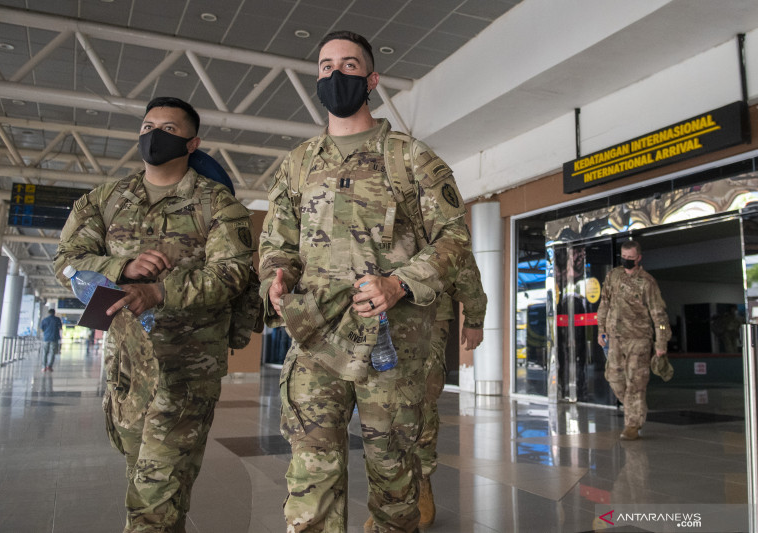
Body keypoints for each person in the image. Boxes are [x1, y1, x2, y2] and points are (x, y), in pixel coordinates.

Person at [259, 30, 472, 533]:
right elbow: (276, 240)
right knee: (310, 473)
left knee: (394, 473)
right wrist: (276, 273)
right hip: (315, 335)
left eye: (349, 66)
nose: (336, 75)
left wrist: (400, 283)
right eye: (326, 66)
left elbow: (454, 238)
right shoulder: (298, 163)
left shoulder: (410, 156)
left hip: (393, 341)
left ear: (371, 79)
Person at [55, 96, 255, 532]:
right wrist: (120, 268)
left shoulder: (217, 204)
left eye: (167, 129)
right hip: (126, 365)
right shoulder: (106, 199)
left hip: (188, 367)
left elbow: (232, 274)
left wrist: (159, 292)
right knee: (145, 474)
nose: (153, 136)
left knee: (156, 488)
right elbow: (67, 260)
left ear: (191, 143)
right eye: (147, 128)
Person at [411, 256, 486, 528]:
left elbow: (459, 257)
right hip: (378, 315)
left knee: (423, 400)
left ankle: (421, 483)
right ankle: (389, 494)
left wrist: (475, 318)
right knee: (383, 408)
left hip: (428, 315)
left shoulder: (434, 211)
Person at [596, 240, 671, 441]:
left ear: (639, 258)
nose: (627, 261)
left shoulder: (647, 282)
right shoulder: (613, 276)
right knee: (614, 377)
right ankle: (635, 408)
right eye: (624, 257)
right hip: (614, 338)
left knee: (636, 382)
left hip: (639, 339)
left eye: (631, 258)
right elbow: (604, 303)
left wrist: (661, 343)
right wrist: (601, 330)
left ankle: (632, 425)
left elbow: (659, 316)